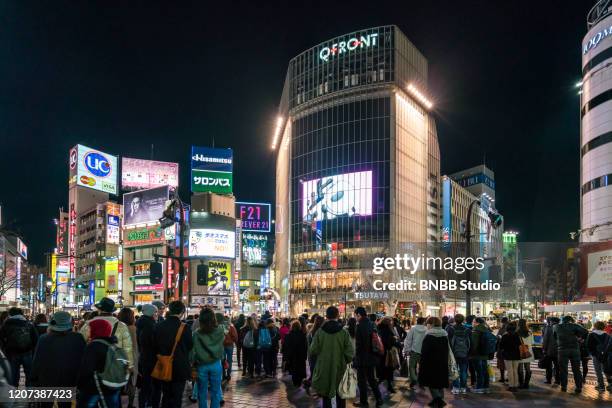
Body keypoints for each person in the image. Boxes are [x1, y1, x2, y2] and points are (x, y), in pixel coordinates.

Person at [31, 311, 86, 406]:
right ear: (71, 323)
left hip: (47, 378)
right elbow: (83, 359)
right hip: (69, 378)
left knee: (45, 404)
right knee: (65, 404)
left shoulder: (44, 339)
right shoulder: (78, 338)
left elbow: (38, 360)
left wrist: (33, 378)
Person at [309, 306, 354, 408]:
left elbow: (313, 350)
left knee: (325, 395)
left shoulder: (320, 332)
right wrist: (344, 360)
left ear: (326, 316)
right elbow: (350, 352)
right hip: (340, 367)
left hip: (323, 367)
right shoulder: (343, 332)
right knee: (341, 395)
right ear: (338, 315)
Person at [152, 301, 193, 408]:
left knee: (165, 394)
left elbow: (154, 345)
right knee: (177, 396)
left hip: (163, 364)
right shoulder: (185, 327)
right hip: (180, 366)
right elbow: (190, 345)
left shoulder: (158, 326)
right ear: (182, 312)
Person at [76, 319, 122, 408]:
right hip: (112, 386)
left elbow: (86, 370)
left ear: (96, 330)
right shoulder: (113, 344)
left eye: (90, 328)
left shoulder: (93, 346)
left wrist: (80, 385)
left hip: (94, 387)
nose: (88, 330)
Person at [80, 298, 134, 369]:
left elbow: (81, 344)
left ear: (99, 310)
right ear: (112, 311)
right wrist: (130, 366)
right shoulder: (121, 326)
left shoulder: (88, 324)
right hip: (114, 365)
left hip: (93, 363)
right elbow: (128, 348)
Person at [192, 308, 225, 408]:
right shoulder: (220, 330)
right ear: (213, 319)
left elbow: (193, 351)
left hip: (201, 365)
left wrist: (193, 363)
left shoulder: (197, 333)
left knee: (202, 392)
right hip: (216, 363)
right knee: (215, 392)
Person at [0, 307, 38, 387]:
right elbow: (35, 339)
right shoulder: (28, 323)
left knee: (14, 374)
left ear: (10, 314)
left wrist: (5, 348)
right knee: (29, 373)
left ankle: (14, 393)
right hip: (27, 352)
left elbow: (1, 338)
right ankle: (29, 393)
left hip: (12, 352)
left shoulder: (6, 324)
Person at [353, 307, 383, 407]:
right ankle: (379, 398)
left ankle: (363, 402)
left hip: (362, 358)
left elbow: (359, 345)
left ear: (358, 315)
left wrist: (356, 359)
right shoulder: (371, 324)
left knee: (361, 382)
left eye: (355, 315)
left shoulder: (360, 325)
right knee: (371, 379)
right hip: (372, 356)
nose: (355, 318)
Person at [418, 317, 449, 408]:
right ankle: (437, 399)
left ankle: (438, 399)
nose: (426, 325)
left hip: (430, 363)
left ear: (431, 324)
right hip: (442, 362)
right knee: (440, 383)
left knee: (431, 383)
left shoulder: (429, 336)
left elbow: (425, 352)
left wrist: (421, 363)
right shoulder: (444, 335)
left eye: (427, 324)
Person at [553, 315, 588, 393]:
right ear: (571, 320)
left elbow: (555, 337)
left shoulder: (556, 327)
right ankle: (578, 387)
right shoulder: (575, 326)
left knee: (563, 369)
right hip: (574, 349)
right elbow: (586, 332)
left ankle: (564, 386)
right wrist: (580, 338)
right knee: (576, 369)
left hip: (562, 349)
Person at [136, 304, 158, 408]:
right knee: (149, 384)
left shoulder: (140, 323)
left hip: (143, 357)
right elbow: (151, 343)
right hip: (150, 358)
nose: (156, 314)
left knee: (145, 383)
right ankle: (148, 403)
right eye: (155, 312)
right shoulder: (150, 325)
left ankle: (143, 403)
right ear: (150, 313)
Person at [118, 307, 139, 408]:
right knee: (131, 383)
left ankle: (118, 403)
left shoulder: (117, 327)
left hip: (118, 358)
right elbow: (135, 346)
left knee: (118, 382)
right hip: (131, 358)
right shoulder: (133, 328)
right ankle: (130, 404)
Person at [448, 314, 470, 394]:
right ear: (463, 320)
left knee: (454, 370)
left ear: (455, 320)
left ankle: (456, 387)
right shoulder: (467, 329)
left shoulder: (451, 329)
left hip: (454, 353)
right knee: (463, 370)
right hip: (464, 353)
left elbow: (448, 342)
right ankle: (463, 388)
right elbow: (469, 342)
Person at [587, 320, 612, 392]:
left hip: (596, 355)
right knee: (606, 370)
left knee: (598, 371)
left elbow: (589, 346)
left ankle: (601, 386)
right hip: (606, 355)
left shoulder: (591, 335)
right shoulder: (607, 335)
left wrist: (592, 354)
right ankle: (610, 384)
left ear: (595, 326)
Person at [282, 320, 308, 387]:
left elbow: (285, 346)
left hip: (292, 355)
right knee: (300, 368)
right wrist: (305, 355)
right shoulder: (303, 335)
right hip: (300, 355)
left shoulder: (288, 335)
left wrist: (285, 356)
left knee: (293, 368)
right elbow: (305, 346)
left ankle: (295, 382)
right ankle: (299, 381)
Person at [403, 316, 427, 389]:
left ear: (417, 321)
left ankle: (414, 379)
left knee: (412, 367)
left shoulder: (413, 329)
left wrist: (407, 350)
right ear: (423, 322)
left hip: (414, 351)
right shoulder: (427, 330)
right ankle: (422, 382)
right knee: (422, 368)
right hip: (423, 352)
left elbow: (408, 340)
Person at [469, 317, 491, 394]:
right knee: (485, 371)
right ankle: (486, 387)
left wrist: (471, 353)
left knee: (479, 372)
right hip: (485, 354)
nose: (472, 323)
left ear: (477, 323)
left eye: (473, 321)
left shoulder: (476, 330)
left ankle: (479, 387)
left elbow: (474, 344)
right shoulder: (487, 330)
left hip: (477, 355)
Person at [499, 321, 521, 392]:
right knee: (515, 370)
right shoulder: (517, 335)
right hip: (516, 355)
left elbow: (501, 346)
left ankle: (511, 385)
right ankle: (515, 385)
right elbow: (519, 345)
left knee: (510, 371)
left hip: (508, 355)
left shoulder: (505, 336)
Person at [377, 317, 397, 394]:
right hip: (387, 353)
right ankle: (389, 386)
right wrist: (394, 340)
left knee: (382, 370)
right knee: (388, 369)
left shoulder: (379, 329)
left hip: (380, 353)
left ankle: (382, 384)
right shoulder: (388, 331)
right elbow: (388, 342)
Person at [542, 316, 561, 385]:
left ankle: (549, 380)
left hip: (550, 350)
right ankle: (558, 380)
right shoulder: (561, 328)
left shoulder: (549, 328)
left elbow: (545, 339)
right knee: (557, 366)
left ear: (551, 321)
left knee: (548, 366)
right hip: (559, 350)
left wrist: (544, 349)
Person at [516, 319, 534, 389]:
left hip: (519, 352)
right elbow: (532, 342)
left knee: (519, 369)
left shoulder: (517, 332)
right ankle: (526, 384)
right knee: (527, 368)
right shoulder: (530, 332)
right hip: (528, 352)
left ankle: (521, 384)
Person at [221, 315, 238, 380]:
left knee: (222, 360)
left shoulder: (220, 327)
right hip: (230, 345)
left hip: (222, 345)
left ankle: (223, 375)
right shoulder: (231, 327)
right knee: (229, 360)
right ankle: (228, 374)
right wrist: (233, 341)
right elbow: (235, 336)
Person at [496, 316, 509, 383]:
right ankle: (509, 377)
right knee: (508, 364)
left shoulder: (502, 328)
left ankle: (502, 377)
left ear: (502, 322)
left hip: (502, 349)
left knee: (501, 364)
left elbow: (497, 337)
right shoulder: (511, 328)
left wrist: (499, 337)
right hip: (509, 349)